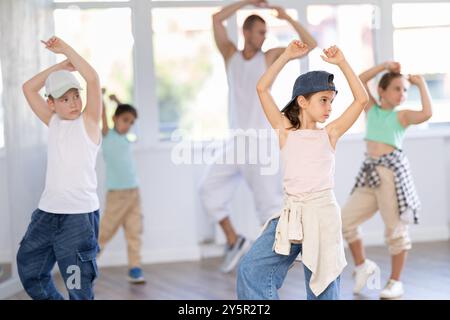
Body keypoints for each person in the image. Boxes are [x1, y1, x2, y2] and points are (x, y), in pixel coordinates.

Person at [237, 41, 369, 300]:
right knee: (251, 269)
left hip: (322, 216)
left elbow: (361, 99)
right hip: (291, 213)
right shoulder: (285, 130)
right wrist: (286, 55)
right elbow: (262, 88)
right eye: (323, 100)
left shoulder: (330, 134)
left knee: (323, 288)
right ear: (302, 101)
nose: (330, 108)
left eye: (331, 101)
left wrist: (342, 62)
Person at [199, 0, 317, 273]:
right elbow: (217, 19)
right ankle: (234, 239)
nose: (264, 37)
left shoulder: (270, 57)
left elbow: (310, 44)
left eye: (265, 32)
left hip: (261, 144)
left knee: (269, 208)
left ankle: (281, 257)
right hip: (236, 142)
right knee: (208, 189)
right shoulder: (231, 55)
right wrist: (246, 2)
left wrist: (287, 17)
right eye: (260, 32)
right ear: (246, 32)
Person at [17, 36, 102, 300]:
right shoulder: (52, 121)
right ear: (52, 103)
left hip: (78, 218)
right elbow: (28, 88)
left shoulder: (88, 122)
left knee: (78, 285)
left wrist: (67, 50)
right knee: (30, 268)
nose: (74, 103)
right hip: (47, 214)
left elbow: (93, 80)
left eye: (76, 96)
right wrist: (59, 68)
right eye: (65, 99)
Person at [341, 61, 432, 299]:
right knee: (345, 221)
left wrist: (421, 84)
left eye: (404, 90)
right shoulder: (371, 109)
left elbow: (426, 113)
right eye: (396, 88)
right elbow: (359, 79)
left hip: (391, 176)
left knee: (395, 231)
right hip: (370, 173)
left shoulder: (401, 116)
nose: (402, 94)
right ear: (381, 91)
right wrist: (382, 66)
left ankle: (395, 281)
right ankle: (362, 267)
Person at [98, 89, 145, 284]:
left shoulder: (127, 138)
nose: (128, 125)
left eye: (131, 123)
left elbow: (128, 114)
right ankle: (87, 263)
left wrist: (118, 101)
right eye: (125, 120)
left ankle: (135, 267)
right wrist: (102, 98)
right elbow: (102, 113)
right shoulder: (107, 135)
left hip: (134, 192)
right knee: (105, 231)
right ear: (115, 118)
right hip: (117, 194)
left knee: (134, 231)